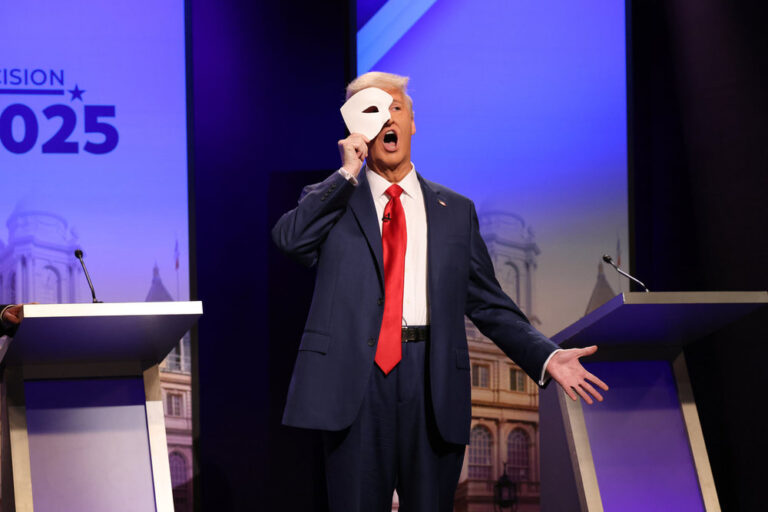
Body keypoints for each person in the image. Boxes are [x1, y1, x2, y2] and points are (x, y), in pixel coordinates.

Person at [271, 71, 608, 512]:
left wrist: (545, 355)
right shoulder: (333, 198)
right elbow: (290, 241)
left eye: (397, 108)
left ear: (412, 123)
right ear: (356, 128)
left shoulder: (455, 212)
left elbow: (488, 304)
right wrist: (347, 173)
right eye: (372, 110)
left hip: (430, 382)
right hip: (355, 383)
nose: (387, 119)